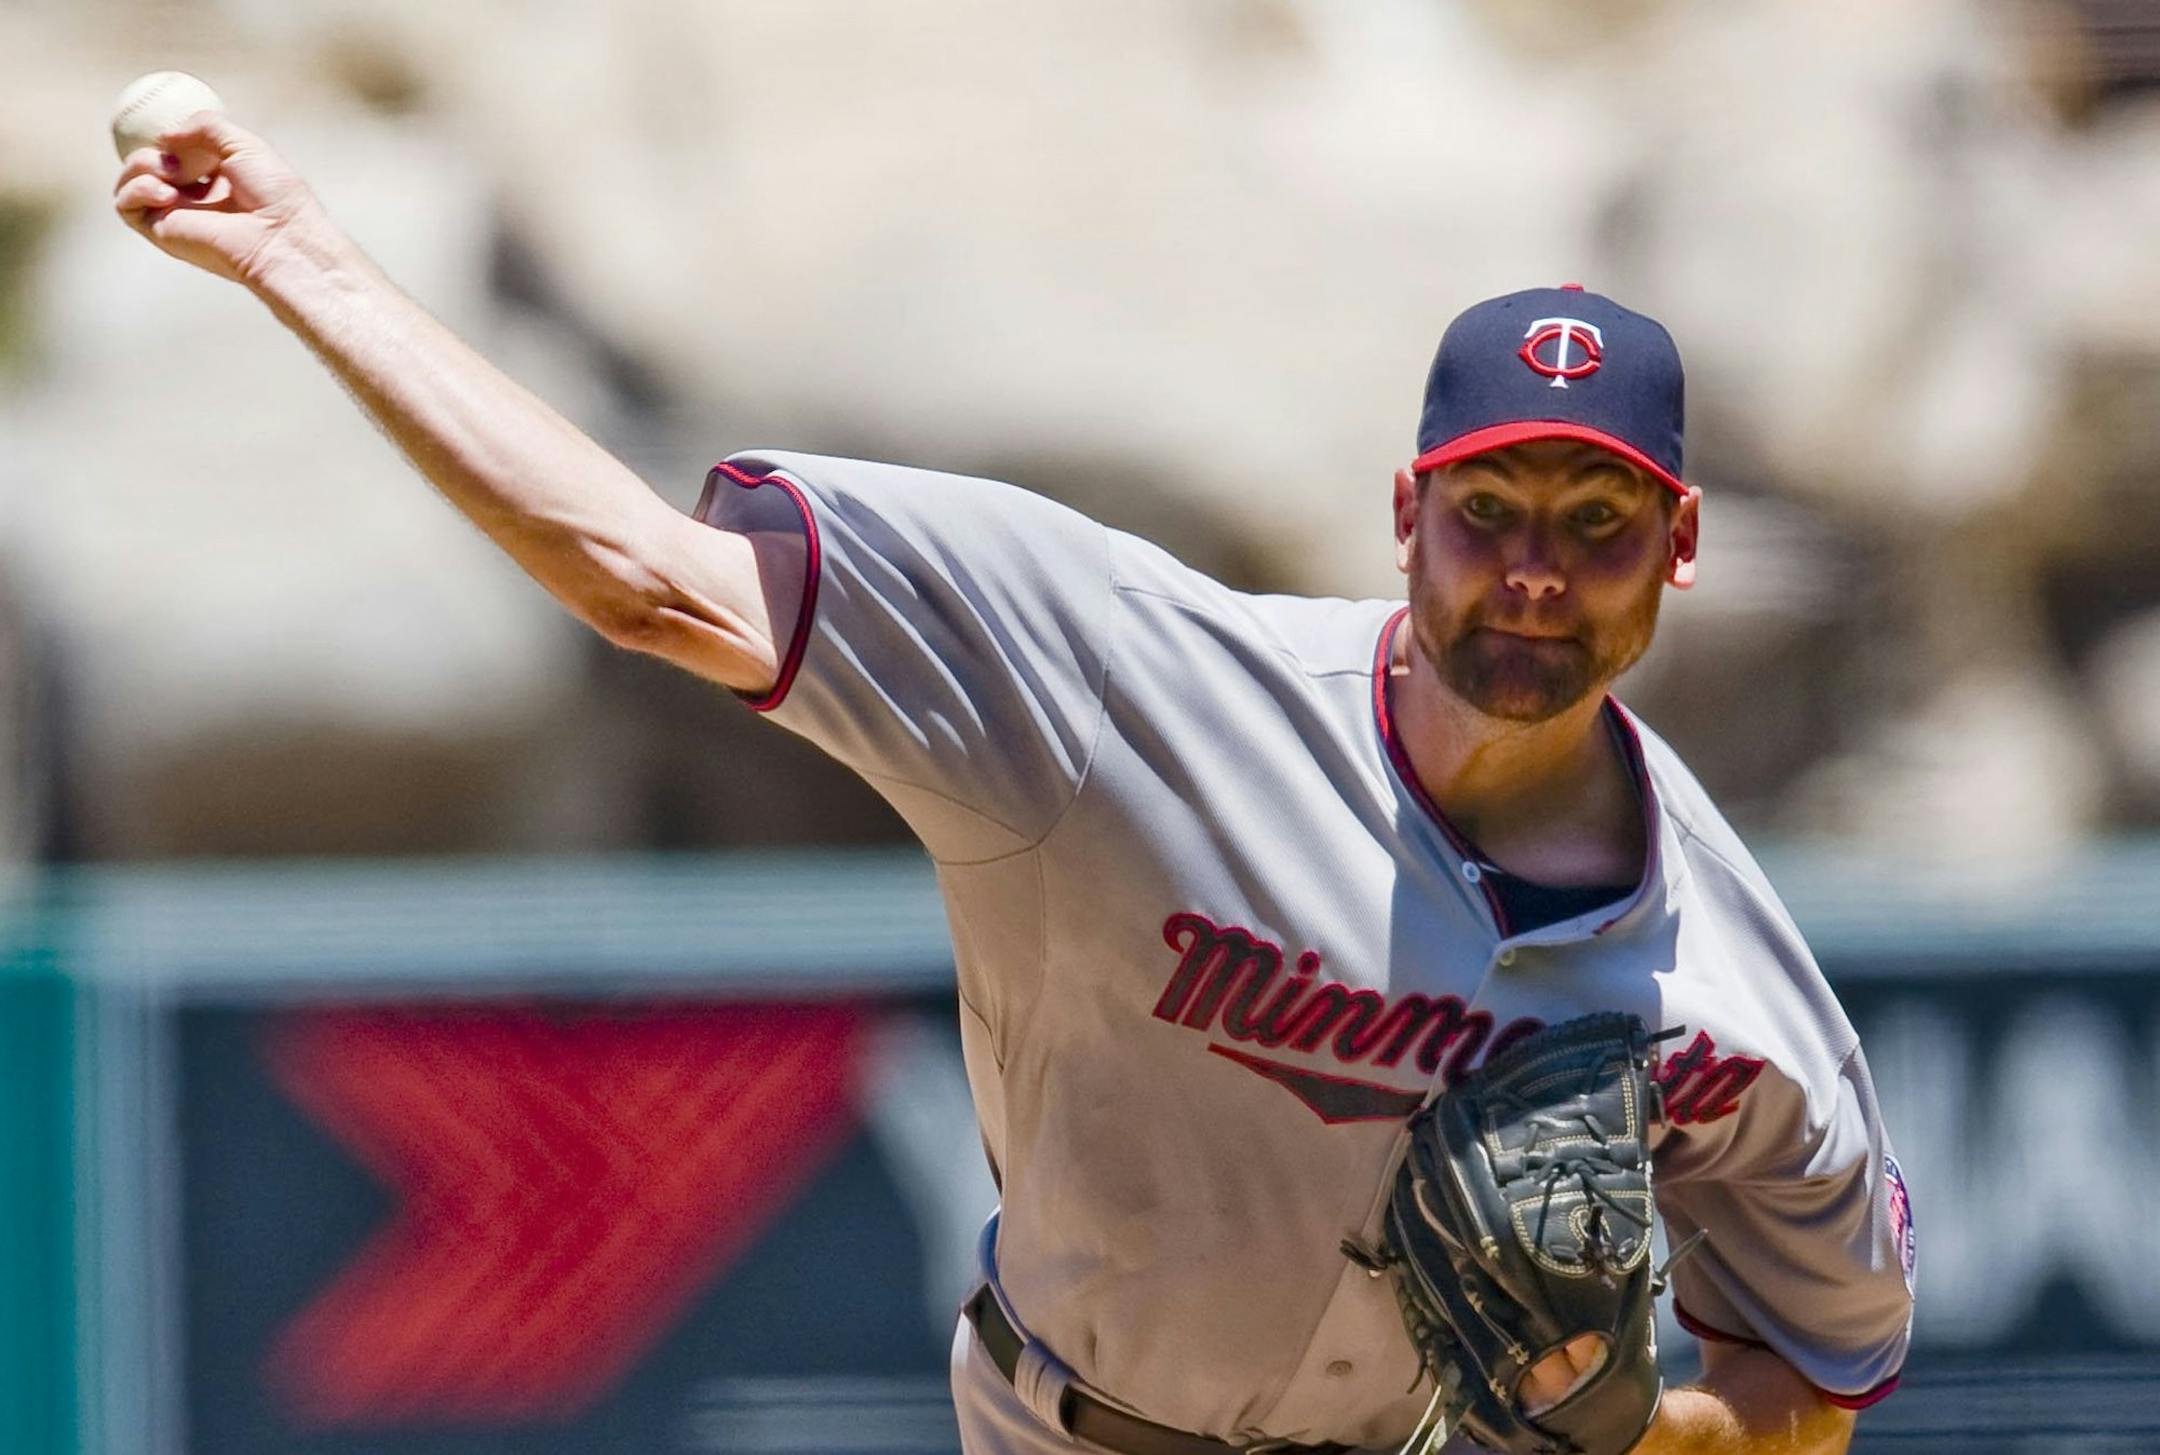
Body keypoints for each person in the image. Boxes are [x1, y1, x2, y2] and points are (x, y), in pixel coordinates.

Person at [115, 114, 1914, 1455]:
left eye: (1595, 525)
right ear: (1403, 515)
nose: (1534, 571)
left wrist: (1645, 1430)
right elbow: (646, 580)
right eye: (1490, 511)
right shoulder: (1127, 684)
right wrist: (306, 262)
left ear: (1676, 545)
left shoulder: (1732, 991)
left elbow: (1818, 1381)